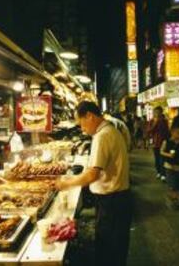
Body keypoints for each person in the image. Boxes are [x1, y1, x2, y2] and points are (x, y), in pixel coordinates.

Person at [55, 101, 131, 266]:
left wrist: (66, 183)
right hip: (118, 200)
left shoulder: (102, 135)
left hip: (112, 203)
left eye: (81, 122)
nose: (81, 128)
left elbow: (92, 175)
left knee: (108, 250)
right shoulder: (110, 130)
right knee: (116, 248)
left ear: (89, 115)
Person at [148, 106, 169, 181]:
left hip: (163, 142)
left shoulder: (164, 121)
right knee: (157, 159)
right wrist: (155, 123)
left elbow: (166, 132)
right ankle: (159, 172)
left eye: (158, 112)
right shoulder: (151, 121)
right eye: (155, 112)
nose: (157, 114)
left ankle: (163, 174)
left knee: (162, 158)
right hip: (155, 143)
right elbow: (149, 131)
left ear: (161, 113)